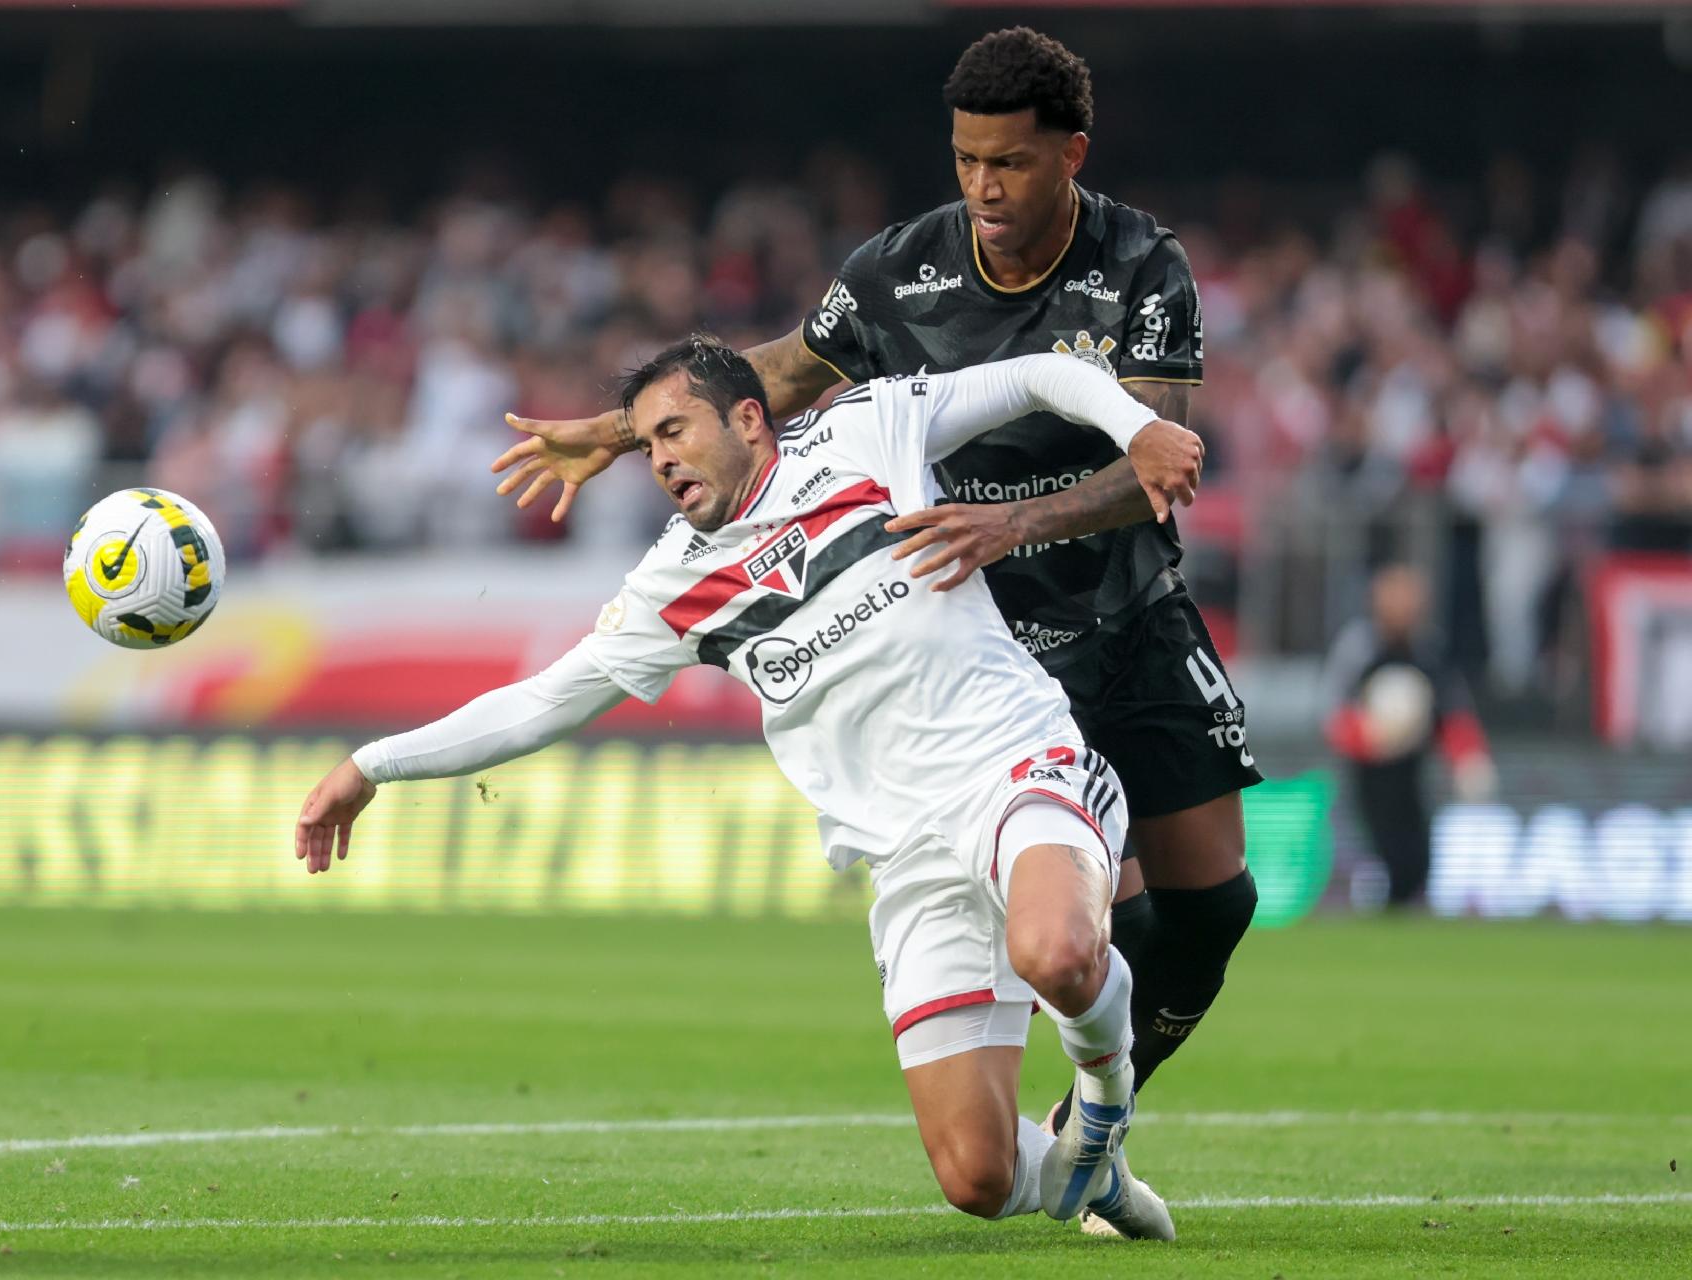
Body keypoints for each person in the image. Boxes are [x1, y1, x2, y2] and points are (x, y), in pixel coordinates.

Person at [489, 27, 1262, 1165]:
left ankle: (1082, 1114)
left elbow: (1155, 454)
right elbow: (777, 376)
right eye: (965, 161)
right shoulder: (901, 269)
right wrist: (616, 431)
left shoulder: (1143, 265)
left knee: (1212, 911)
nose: (984, 187)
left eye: (1009, 163)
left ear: (1072, 155)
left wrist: (1016, 517)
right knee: (1114, 917)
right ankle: (1070, 1128)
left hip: (1126, 609)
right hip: (987, 631)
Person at [300, 338, 1204, 1239]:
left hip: (1015, 765)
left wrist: (1141, 425)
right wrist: (370, 763)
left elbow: (1034, 374)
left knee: (1054, 951)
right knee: (977, 1177)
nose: (658, 459)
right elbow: (540, 704)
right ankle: (1102, 1179)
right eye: (646, 444)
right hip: (906, 860)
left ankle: (1101, 1107)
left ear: (745, 418)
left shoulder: (864, 430)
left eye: (673, 430)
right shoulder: (673, 585)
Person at [1323, 564, 1495, 908]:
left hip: (1412, 770)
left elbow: (1451, 708)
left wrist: (1468, 759)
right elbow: (1332, 711)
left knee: (1417, 856)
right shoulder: (1359, 648)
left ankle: (1405, 903)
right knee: (1382, 845)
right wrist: (1370, 736)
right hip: (1369, 771)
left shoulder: (1428, 650)